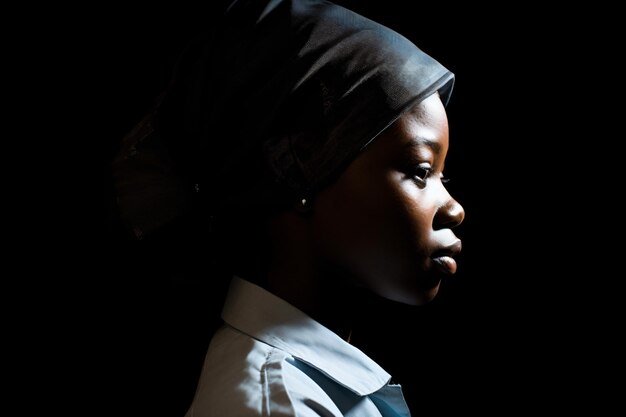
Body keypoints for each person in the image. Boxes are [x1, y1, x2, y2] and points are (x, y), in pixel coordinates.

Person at [113, 0, 464, 415]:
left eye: (445, 177)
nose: (455, 209)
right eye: (421, 171)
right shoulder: (276, 405)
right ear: (300, 172)